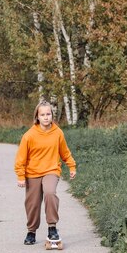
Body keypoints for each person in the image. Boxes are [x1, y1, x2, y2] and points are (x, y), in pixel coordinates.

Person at [14, 101, 77, 245]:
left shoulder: (58, 133)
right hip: (32, 172)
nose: (46, 117)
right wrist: (20, 176)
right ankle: (31, 231)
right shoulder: (29, 135)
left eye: (48, 114)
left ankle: (52, 228)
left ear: (52, 115)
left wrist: (72, 166)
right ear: (37, 116)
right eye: (42, 115)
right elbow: (21, 158)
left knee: (50, 193)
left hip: (51, 170)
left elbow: (65, 153)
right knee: (33, 203)